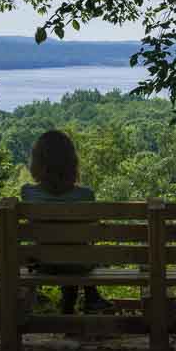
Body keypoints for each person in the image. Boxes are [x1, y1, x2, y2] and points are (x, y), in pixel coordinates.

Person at [21, 130, 113, 314]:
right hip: (78, 264)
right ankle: (83, 300)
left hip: (43, 263)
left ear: (38, 163)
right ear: (72, 162)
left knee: (65, 252)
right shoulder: (86, 195)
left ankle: (70, 305)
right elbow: (92, 229)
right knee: (77, 252)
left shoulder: (28, 193)